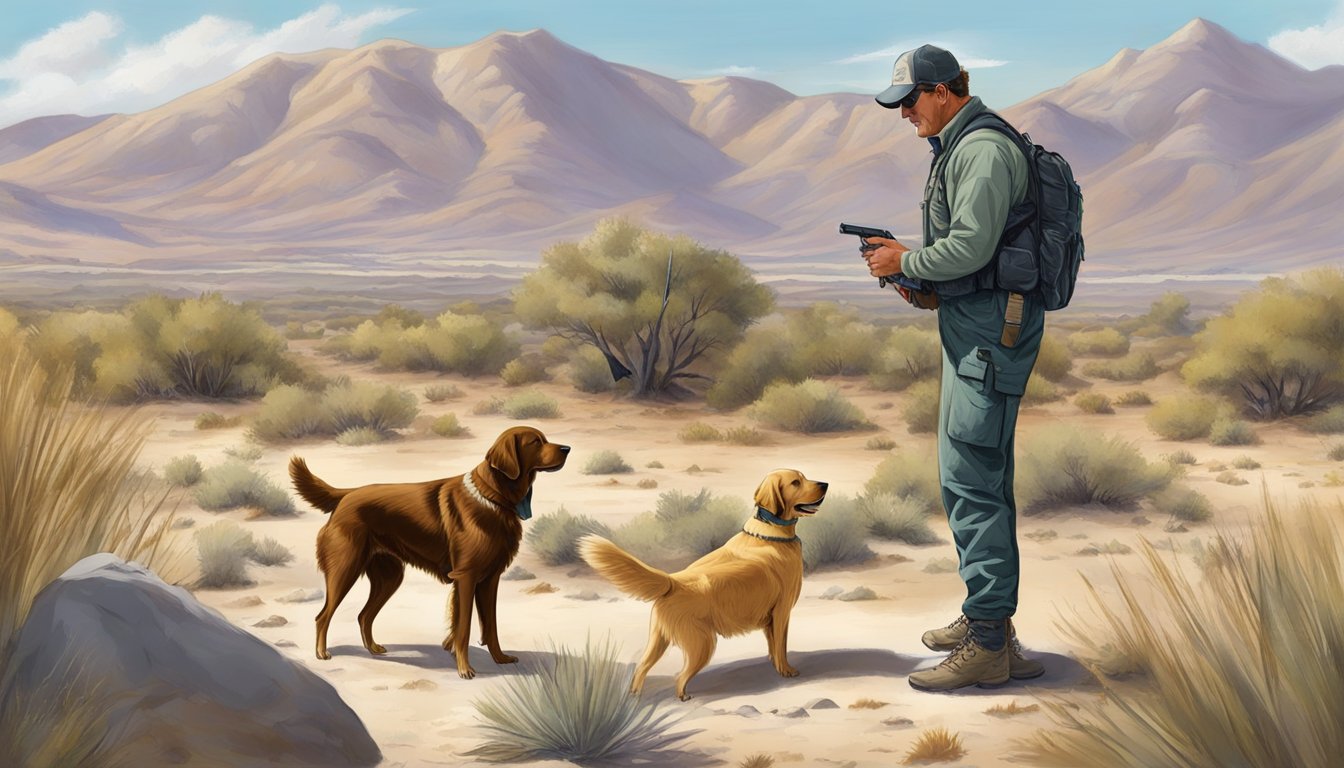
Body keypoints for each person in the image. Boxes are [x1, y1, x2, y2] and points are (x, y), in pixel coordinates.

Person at [861, 44, 1046, 691]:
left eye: (910, 101)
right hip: (975, 330)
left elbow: (967, 247)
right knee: (969, 478)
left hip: (991, 338)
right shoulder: (962, 148)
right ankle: (987, 620)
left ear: (944, 91)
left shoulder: (984, 151)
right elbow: (974, 257)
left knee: (973, 481)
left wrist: (906, 264)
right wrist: (918, 282)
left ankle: (990, 642)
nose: (905, 114)